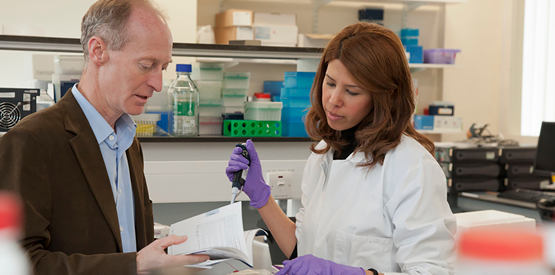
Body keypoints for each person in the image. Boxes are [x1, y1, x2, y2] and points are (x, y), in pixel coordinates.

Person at [226, 22, 456, 275]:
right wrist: (261, 197)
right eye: (331, 83)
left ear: (384, 96)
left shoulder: (411, 166)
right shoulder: (324, 152)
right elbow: (302, 249)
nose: (334, 100)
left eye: (352, 91)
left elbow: (432, 271)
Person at [0, 0, 209, 274]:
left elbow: (131, 246)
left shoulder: (128, 141)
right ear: (98, 51)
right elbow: (19, 265)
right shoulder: (32, 141)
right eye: (146, 65)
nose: (158, 84)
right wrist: (133, 264)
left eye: (163, 67)